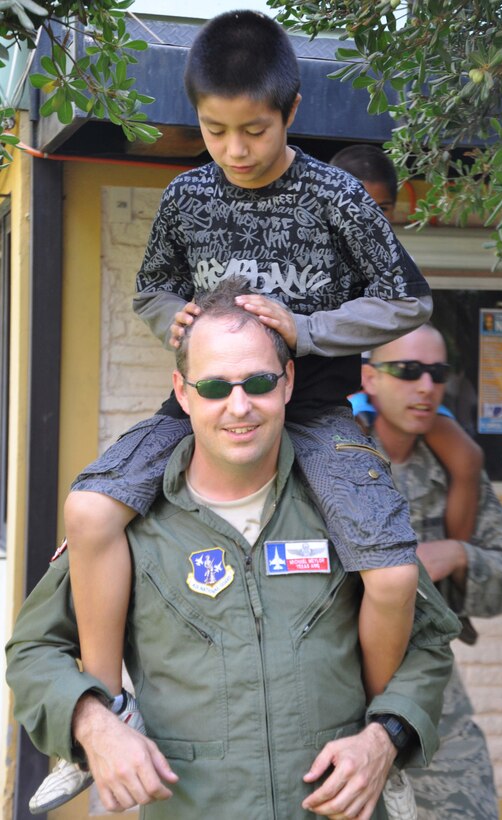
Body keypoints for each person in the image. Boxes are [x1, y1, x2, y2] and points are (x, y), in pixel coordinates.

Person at [28, 11, 434, 812]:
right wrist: (171, 318)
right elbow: (152, 288)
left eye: (252, 129)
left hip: (313, 408)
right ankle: (105, 712)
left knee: (389, 572)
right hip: (206, 407)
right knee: (90, 509)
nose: (235, 150)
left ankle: (385, 753)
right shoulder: (186, 196)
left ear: (289, 113)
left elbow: (405, 298)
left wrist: (311, 330)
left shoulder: (335, 194)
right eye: (215, 131)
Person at [6, 286, 461, 819]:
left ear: (288, 383)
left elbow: (429, 639)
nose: (239, 406)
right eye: (216, 386)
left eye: (260, 383)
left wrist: (385, 738)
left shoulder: (347, 507)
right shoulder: (125, 518)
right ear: (182, 391)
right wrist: (93, 722)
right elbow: (34, 650)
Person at [360, 323, 502, 820]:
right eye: (408, 371)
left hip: (435, 705)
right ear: (370, 379)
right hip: (341, 696)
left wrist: (456, 554)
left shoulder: (454, 467)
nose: (426, 387)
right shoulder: (335, 461)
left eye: (437, 373)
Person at [330, 142, 484, 544]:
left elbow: (412, 343)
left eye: (380, 208)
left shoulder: (397, 270)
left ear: (394, 212)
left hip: (393, 391)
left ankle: (453, 561)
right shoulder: (318, 267)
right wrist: (360, 402)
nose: (368, 218)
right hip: (342, 397)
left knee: (467, 458)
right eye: (356, 205)